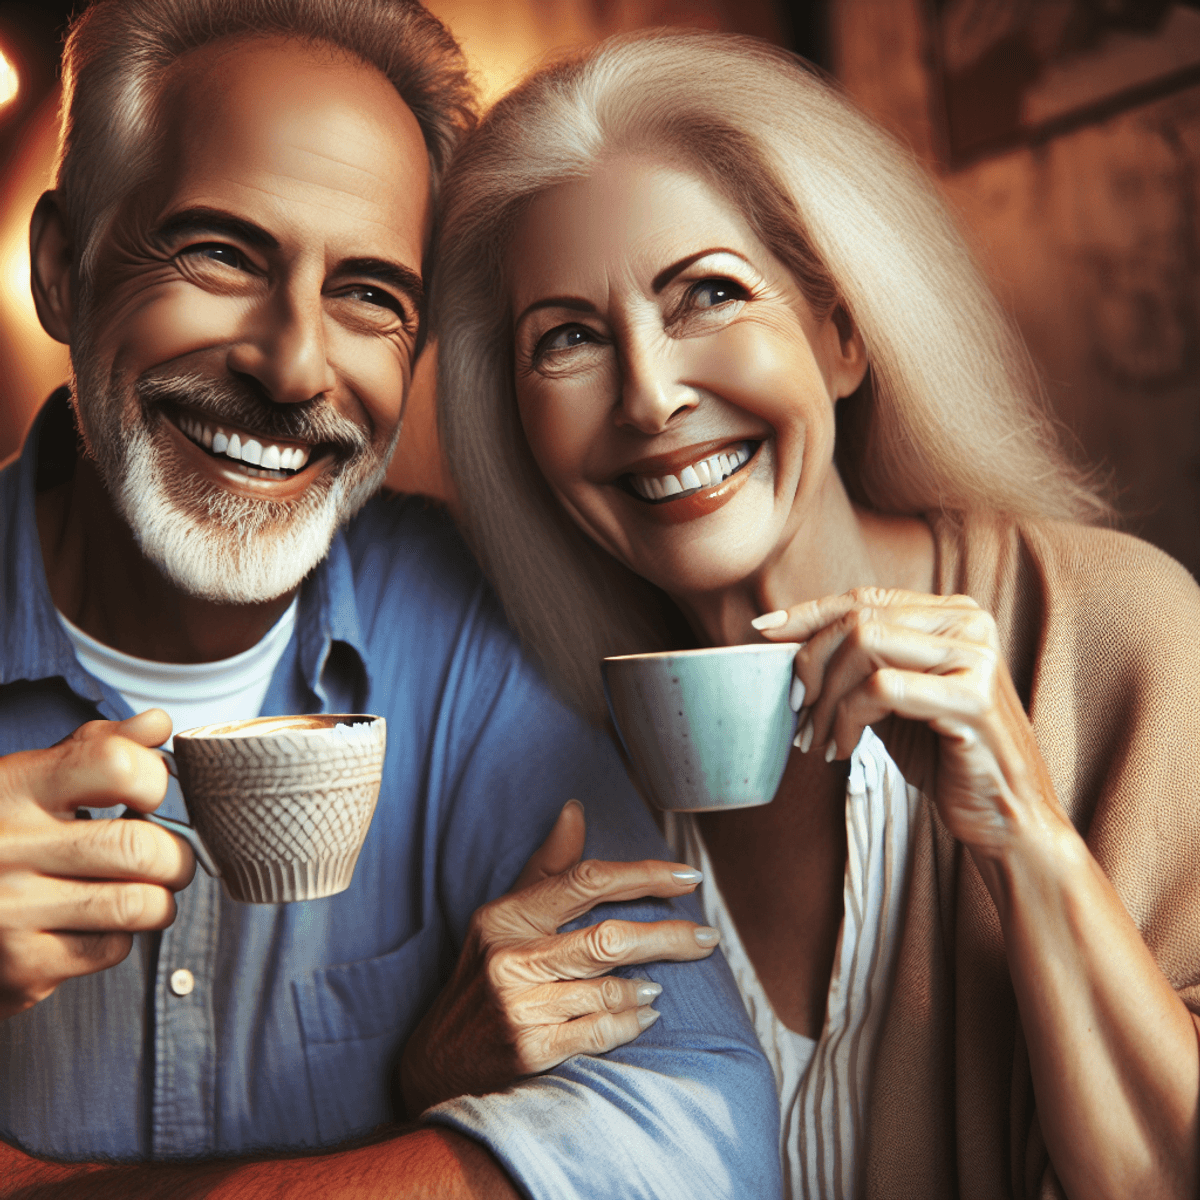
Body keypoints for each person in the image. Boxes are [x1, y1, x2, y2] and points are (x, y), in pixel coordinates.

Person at [0, 5, 784, 1197]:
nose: (294, 365)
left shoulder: (476, 621)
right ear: (63, 270)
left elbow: (693, 1129)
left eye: (370, 294)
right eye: (220, 253)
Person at [430, 28, 1200, 1200]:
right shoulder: (522, 731)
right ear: (518, 425)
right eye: (570, 340)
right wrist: (443, 1083)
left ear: (842, 332)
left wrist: (1033, 845)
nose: (650, 396)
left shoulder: (1117, 633)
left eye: (710, 295)